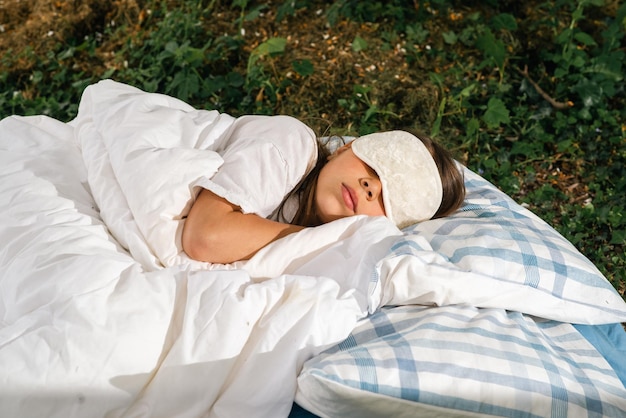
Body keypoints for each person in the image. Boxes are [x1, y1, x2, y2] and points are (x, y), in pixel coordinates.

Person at [182, 119, 465, 264]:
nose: (372, 186)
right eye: (375, 167)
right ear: (344, 148)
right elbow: (206, 236)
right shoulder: (289, 144)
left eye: (393, 196)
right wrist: (327, 238)